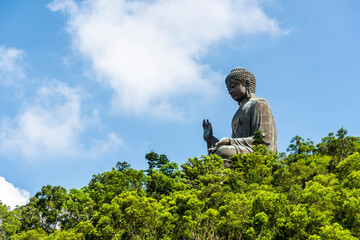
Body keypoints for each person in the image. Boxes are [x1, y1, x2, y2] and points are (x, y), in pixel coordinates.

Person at [203, 67, 277, 160]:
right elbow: (233, 143)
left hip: (257, 151)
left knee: (222, 151)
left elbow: (264, 139)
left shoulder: (259, 103)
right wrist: (210, 139)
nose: (230, 91)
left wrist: (230, 141)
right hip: (242, 149)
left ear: (246, 83)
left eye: (233, 86)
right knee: (215, 152)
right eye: (228, 89)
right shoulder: (237, 113)